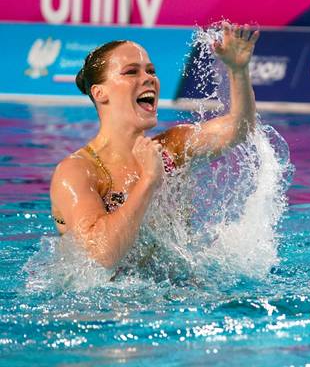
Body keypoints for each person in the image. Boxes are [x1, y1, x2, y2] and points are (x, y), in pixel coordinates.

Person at [50, 23, 259, 269]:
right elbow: (99, 257)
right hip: (109, 303)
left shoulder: (172, 147)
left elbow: (239, 130)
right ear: (99, 93)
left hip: (177, 294)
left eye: (151, 71)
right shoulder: (77, 173)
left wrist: (238, 72)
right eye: (131, 72)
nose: (148, 78)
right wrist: (149, 179)